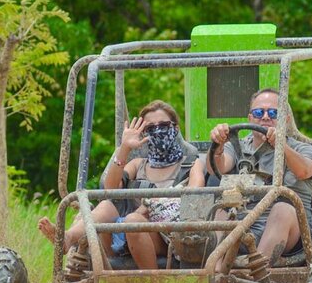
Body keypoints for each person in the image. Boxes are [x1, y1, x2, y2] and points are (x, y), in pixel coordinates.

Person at [38, 100, 205, 270]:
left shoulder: (190, 164)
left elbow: (195, 193)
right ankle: (67, 238)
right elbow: (110, 188)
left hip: (169, 238)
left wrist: (150, 205)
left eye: (163, 125)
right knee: (105, 205)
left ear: (175, 128)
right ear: (144, 133)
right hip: (121, 235)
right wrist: (125, 148)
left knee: (133, 221)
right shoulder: (138, 164)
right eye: (151, 128)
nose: (158, 130)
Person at [207, 88, 312, 270]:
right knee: (221, 209)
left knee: (282, 209)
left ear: (286, 119)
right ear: (250, 118)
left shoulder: (302, 149)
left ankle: (256, 276)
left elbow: (304, 172)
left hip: (290, 234)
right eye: (259, 112)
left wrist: (280, 145)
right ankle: (214, 274)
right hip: (241, 226)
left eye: (273, 113)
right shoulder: (236, 146)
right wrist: (218, 146)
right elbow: (216, 168)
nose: (265, 117)